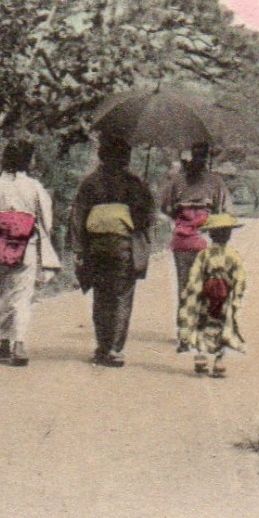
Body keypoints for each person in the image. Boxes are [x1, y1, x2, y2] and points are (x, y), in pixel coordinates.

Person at [72, 134, 154, 368]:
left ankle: (102, 346)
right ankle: (115, 349)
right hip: (123, 247)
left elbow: (78, 218)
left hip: (95, 247)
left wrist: (79, 249)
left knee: (101, 296)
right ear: (126, 158)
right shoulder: (134, 184)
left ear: (102, 156)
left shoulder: (90, 183)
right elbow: (144, 220)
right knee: (121, 296)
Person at [0, 139, 60, 367]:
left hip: (0, 243)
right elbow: (47, 220)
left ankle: (4, 341)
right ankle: (19, 343)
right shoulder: (34, 187)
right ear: (28, 161)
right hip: (27, 245)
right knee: (22, 295)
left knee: (3, 293)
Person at [156, 142, 232, 311]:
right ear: (206, 158)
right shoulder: (215, 182)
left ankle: (184, 329)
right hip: (204, 240)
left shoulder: (177, 181)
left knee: (184, 284)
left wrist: (179, 215)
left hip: (182, 239)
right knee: (205, 284)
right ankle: (198, 327)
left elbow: (165, 206)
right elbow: (225, 212)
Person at [176, 213, 247, 378]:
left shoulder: (204, 255)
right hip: (224, 297)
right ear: (229, 235)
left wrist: (191, 295)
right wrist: (236, 297)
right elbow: (240, 279)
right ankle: (219, 360)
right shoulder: (233, 255)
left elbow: (195, 277)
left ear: (211, 234)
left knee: (202, 323)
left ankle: (201, 355)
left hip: (206, 296)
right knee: (223, 325)